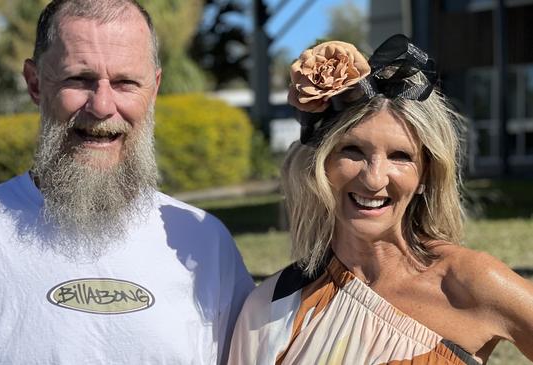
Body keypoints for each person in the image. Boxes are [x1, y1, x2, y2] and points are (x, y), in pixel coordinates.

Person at [0, 0, 254, 363]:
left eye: (126, 82)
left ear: (153, 89)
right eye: (79, 79)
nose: (102, 106)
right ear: (35, 83)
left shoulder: (205, 243)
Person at [228, 35, 533, 364]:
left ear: (424, 176)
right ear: (322, 162)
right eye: (352, 150)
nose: (374, 178)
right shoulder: (270, 308)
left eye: (400, 156)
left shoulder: (471, 282)